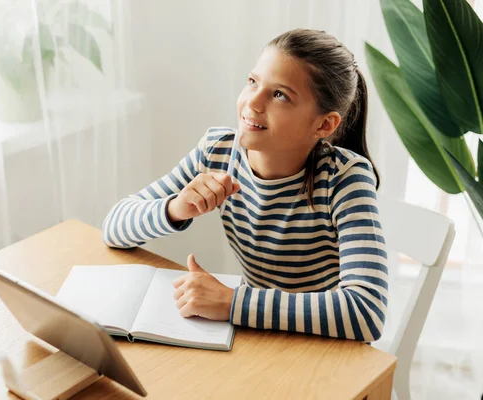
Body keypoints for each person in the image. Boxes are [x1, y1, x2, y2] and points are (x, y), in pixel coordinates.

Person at [102, 29, 387, 342]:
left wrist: (231, 302)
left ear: (324, 124)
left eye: (280, 95)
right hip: (256, 333)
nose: (252, 102)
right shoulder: (218, 151)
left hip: (321, 345)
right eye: (253, 82)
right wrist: (176, 208)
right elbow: (114, 228)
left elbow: (366, 312)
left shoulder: (345, 179)